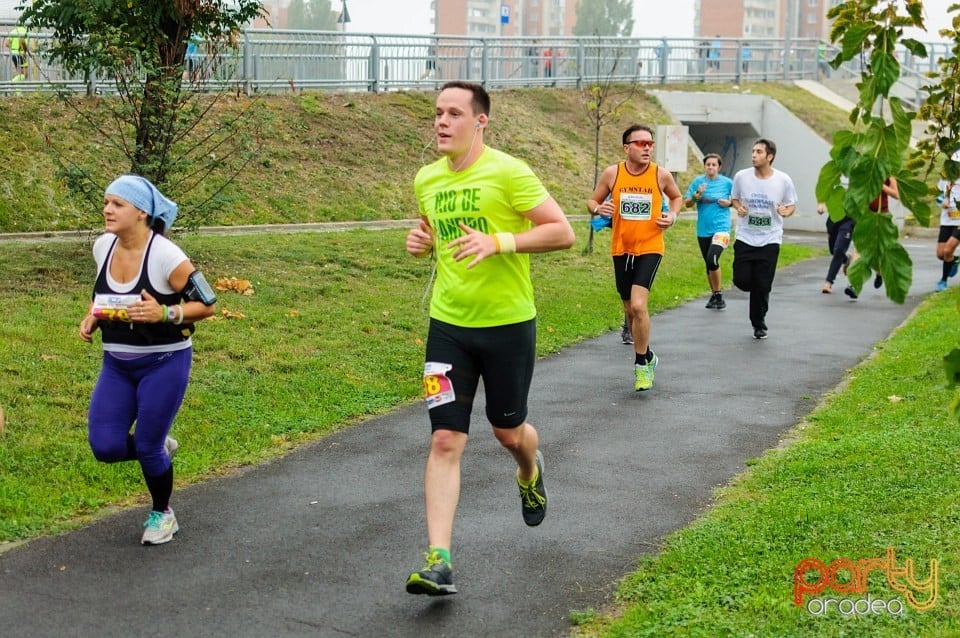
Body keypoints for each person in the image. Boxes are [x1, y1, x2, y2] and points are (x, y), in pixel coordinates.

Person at [404, 81, 575, 596]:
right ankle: (438, 561)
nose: (441, 121)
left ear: (481, 121)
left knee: (509, 433)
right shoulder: (427, 179)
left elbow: (561, 231)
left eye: (454, 113)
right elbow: (440, 233)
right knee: (445, 438)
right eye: (438, 113)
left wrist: (501, 241)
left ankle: (529, 470)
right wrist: (424, 242)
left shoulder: (508, 171)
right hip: (449, 328)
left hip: (507, 326)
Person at [79, 175, 217, 545]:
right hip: (117, 364)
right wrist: (95, 314)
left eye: (117, 204)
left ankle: (162, 514)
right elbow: (109, 297)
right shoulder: (102, 247)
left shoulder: (166, 256)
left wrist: (165, 314)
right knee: (105, 447)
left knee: (147, 446)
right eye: (106, 202)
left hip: (164, 361)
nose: (107, 209)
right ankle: (156, 446)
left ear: (141, 212)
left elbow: (207, 305)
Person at [588, 124, 682, 391]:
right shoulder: (612, 173)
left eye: (650, 143)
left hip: (650, 247)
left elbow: (676, 197)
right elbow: (591, 201)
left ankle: (641, 365)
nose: (647, 148)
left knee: (639, 306)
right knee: (630, 310)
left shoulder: (660, 175)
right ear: (626, 147)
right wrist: (598, 208)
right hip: (621, 248)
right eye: (640, 143)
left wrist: (672, 216)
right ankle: (649, 354)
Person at [730, 138, 797, 339]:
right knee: (741, 280)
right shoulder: (742, 177)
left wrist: (786, 211)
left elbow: (791, 204)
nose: (753, 155)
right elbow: (735, 198)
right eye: (753, 151)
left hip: (770, 238)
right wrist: (738, 206)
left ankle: (759, 323)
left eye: (759, 152)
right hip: (745, 236)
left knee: (762, 285)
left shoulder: (783, 180)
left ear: (770, 156)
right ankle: (754, 286)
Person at [684, 153, 733, 309]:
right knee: (708, 264)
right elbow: (688, 204)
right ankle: (714, 296)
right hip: (703, 229)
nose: (711, 167)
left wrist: (730, 203)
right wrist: (697, 195)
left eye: (714, 165)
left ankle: (718, 295)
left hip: (722, 228)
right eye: (708, 164)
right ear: (704, 166)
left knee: (712, 259)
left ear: (719, 167)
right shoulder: (698, 182)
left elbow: (739, 200)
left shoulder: (727, 183)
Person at [816, 200, 858, 299]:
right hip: (834, 218)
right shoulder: (837, 184)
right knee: (833, 250)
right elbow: (825, 190)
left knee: (838, 250)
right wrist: (821, 203)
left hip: (850, 218)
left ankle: (828, 282)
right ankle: (846, 259)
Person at [866, 176, 899, 289]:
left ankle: (879, 272)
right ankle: (853, 285)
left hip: (882, 213)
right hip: (867, 213)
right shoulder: (866, 170)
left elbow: (896, 194)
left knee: (881, 248)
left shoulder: (889, 175)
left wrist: (881, 185)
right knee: (861, 246)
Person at [935, 173, 960, 291]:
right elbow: (939, 196)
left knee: (947, 250)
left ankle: (943, 281)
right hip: (947, 220)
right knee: (941, 254)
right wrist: (941, 202)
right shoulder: (945, 177)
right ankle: (954, 260)